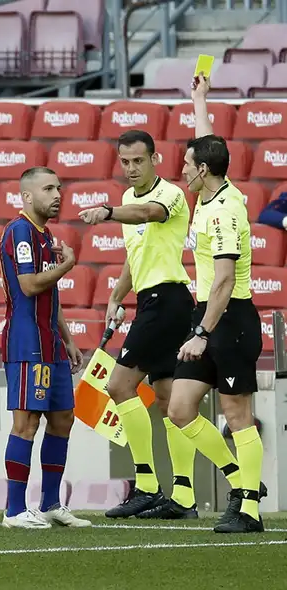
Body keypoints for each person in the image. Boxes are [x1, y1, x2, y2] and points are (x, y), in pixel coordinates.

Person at [77, 130, 198, 520]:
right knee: (166, 399)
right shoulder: (129, 198)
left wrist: (107, 212)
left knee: (118, 385)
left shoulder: (171, 194)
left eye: (138, 161)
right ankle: (183, 497)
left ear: (155, 159)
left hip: (168, 300)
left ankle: (146, 486)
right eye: (124, 162)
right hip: (153, 299)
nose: (130, 169)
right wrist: (116, 296)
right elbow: (135, 254)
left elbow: (149, 215)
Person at [166, 75, 265, 534]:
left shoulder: (224, 210)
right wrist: (198, 98)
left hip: (230, 319)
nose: (181, 169)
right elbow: (205, 144)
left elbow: (224, 280)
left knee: (236, 413)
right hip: (205, 315)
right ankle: (240, 481)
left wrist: (202, 335)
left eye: (187, 164)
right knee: (180, 409)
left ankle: (248, 509)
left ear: (203, 170)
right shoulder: (212, 191)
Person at [0, 167, 89, 529]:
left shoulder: (44, 234)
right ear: (26, 196)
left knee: (62, 419)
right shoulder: (19, 231)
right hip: (26, 343)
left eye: (59, 188)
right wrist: (68, 264)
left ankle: (51, 502)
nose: (57, 194)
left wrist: (67, 338)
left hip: (50, 342)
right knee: (26, 423)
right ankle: (14, 510)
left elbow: (50, 293)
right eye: (48, 188)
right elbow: (29, 285)